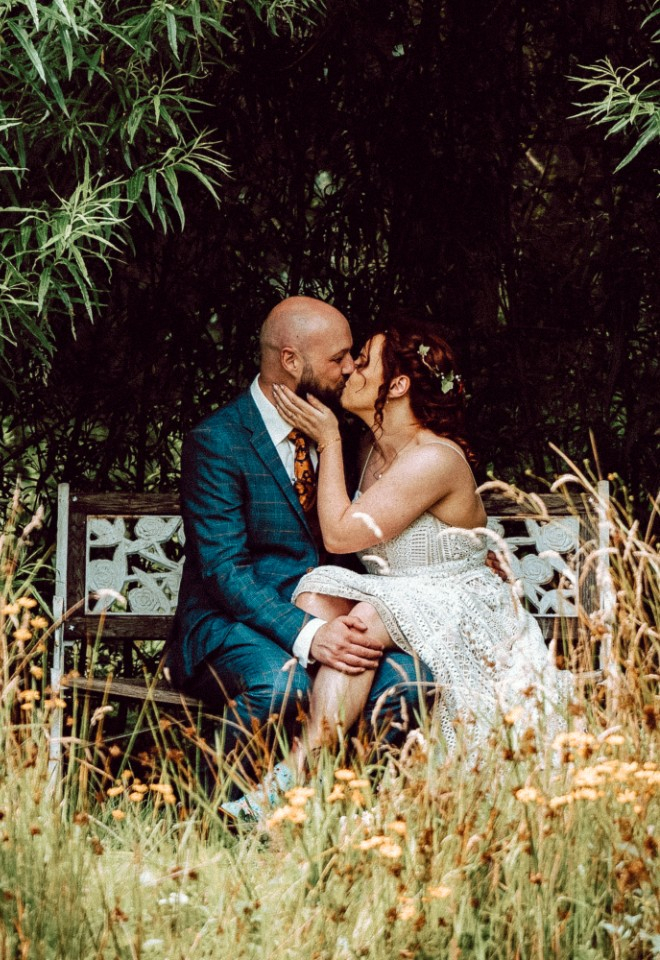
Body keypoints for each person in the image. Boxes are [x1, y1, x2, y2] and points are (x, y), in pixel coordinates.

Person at [269, 318, 575, 766]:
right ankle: (335, 767)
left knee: (365, 616)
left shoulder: (433, 458)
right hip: (405, 596)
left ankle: (297, 770)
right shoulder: (370, 450)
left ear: (397, 385)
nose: (350, 369)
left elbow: (338, 534)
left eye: (364, 362)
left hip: (461, 605)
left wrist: (328, 439)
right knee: (315, 600)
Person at [168, 296, 433, 796]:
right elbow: (224, 571)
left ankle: (354, 817)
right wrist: (310, 634)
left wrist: (458, 551)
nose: (351, 367)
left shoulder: (344, 435)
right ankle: (219, 818)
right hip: (234, 625)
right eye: (338, 357)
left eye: (353, 355)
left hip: (336, 616)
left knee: (409, 679)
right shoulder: (218, 439)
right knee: (282, 685)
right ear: (290, 360)